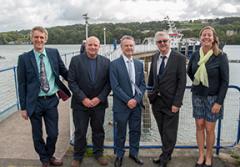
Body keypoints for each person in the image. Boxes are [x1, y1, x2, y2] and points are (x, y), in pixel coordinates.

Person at [17, 26, 71, 167]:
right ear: (32, 39)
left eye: (41, 37)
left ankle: (49, 155)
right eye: (36, 37)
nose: (39, 40)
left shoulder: (54, 53)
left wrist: (80, 81)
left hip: (52, 100)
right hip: (34, 102)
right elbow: (21, 84)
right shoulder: (23, 58)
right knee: (37, 134)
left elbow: (64, 72)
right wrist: (23, 108)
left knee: (53, 133)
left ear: (45, 39)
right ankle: (45, 159)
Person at [187, 26, 229, 167]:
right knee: (199, 126)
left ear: (214, 38)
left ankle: (209, 156)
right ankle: (201, 155)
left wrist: (219, 102)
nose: (206, 37)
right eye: (204, 34)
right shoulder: (195, 55)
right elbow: (190, 71)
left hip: (213, 98)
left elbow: (225, 81)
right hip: (197, 95)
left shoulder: (221, 56)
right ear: (200, 38)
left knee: (210, 129)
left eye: (209, 35)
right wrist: (198, 81)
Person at [68, 36, 111, 167]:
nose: (92, 47)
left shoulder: (106, 61)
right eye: (90, 45)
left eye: (95, 45)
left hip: (99, 104)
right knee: (80, 131)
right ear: (85, 46)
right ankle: (78, 156)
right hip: (80, 104)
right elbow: (72, 82)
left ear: (99, 47)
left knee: (98, 130)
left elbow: (109, 83)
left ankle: (98, 153)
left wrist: (99, 98)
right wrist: (83, 98)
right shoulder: (75, 60)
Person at [147, 31, 186, 167]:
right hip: (156, 102)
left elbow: (182, 83)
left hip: (171, 103)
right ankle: (166, 154)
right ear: (156, 43)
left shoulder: (179, 58)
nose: (162, 43)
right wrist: (150, 95)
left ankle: (165, 157)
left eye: (165, 41)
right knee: (162, 130)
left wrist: (177, 103)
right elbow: (152, 79)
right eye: (159, 42)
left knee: (170, 132)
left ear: (169, 42)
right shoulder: (154, 57)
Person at [110, 35, 146, 167]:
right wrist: (128, 100)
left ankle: (134, 153)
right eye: (126, 45)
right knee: (120, 132)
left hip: (136, 105)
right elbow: (115, 86)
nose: (129, 48)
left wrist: (136, 100)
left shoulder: (139, 64)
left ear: (134, 47)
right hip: (121, 105)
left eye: (131, 45)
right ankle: (119, 155)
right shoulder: (114, 65)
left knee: (135, 130)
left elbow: (142, 85)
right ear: (121, 47)